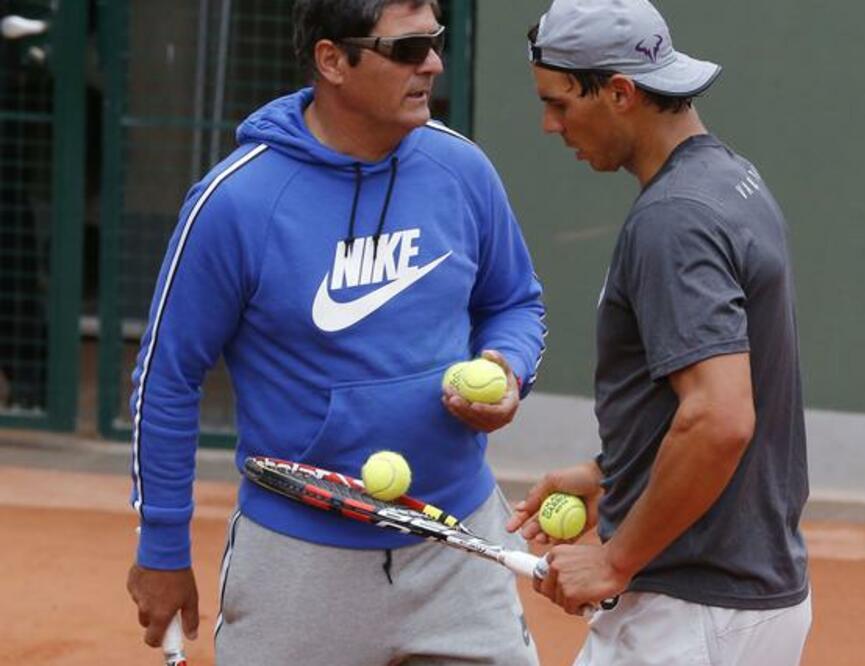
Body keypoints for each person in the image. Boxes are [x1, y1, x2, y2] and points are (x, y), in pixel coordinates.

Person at [125, 1, 546, 664]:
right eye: (407, 49)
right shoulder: (237, 201)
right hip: (299, 567)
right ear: (332, 60)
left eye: (435, 42)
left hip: (458, 548)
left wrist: (509, 367)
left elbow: (516, 302)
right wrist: (162, 548)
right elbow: (167, 378)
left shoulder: (462, 171)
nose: (432, 63)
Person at [507, 1, 812, 664]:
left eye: (560, 103)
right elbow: (714, 394)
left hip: (689, 613)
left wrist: (616, 559)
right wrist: (610, 474)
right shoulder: (731, 181)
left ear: (619, 92)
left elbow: (719, 417)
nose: (549, 124)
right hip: (739, 603)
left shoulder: (672, 219)